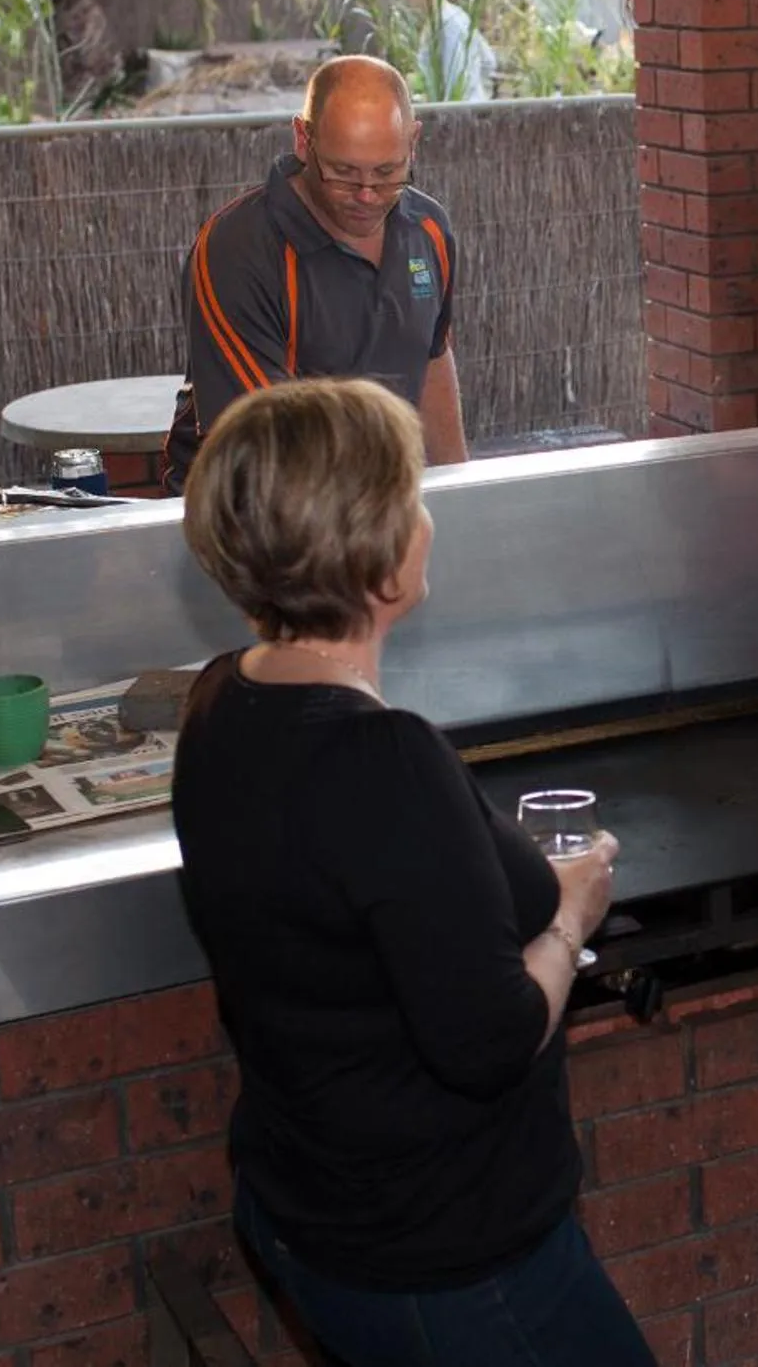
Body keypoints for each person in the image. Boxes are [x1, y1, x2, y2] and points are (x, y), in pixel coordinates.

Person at [174, 377, 652, 1367]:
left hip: (307, 1203)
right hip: (445, 1260)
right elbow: (491, 1040)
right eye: (413, 499)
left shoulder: (220, 700)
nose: (427, 520)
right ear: (376, 552)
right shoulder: (383, 760)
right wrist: (570, 915)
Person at [164, 56, 468, 491]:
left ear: (413, 141)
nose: (367, 196)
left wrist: (457, 493)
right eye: (343, 173)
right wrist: (379, 517)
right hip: (250, 506)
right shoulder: (238, 249)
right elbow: (261, 437)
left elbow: (432, 357)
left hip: (375, 502)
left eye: (387, 172)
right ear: (303, 140)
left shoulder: (429, 228)